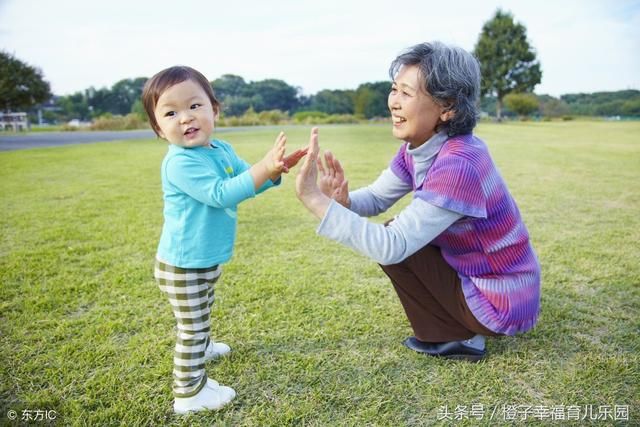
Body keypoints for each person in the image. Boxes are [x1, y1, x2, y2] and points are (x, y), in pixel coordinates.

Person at [295, 42, 541, 362]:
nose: (394, 102)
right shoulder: (422, 147)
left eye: (406, 93)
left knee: (395, 239)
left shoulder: (458, 164)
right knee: (396, 232)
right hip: (479, 279)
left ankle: (466, 337)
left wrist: (314, 199)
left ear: (447, 106)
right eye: (394, 89)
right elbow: (378, 197)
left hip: (502, 300)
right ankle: (449, 333)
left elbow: (391, 246)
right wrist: (343, 201)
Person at [142, 66, 306, 413]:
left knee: (203, 308)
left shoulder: (221, 148)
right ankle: (188, 394)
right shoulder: (180, 163)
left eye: (195, 106)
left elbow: (247, 180)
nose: (185, 118)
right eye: (170, 113)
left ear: (214, 109)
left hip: (205, 258)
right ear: (158, 128)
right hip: (181, 264)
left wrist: (272, 171)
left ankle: (204, 348)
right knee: (191, 326)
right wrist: (263, 167)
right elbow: (221, 194)